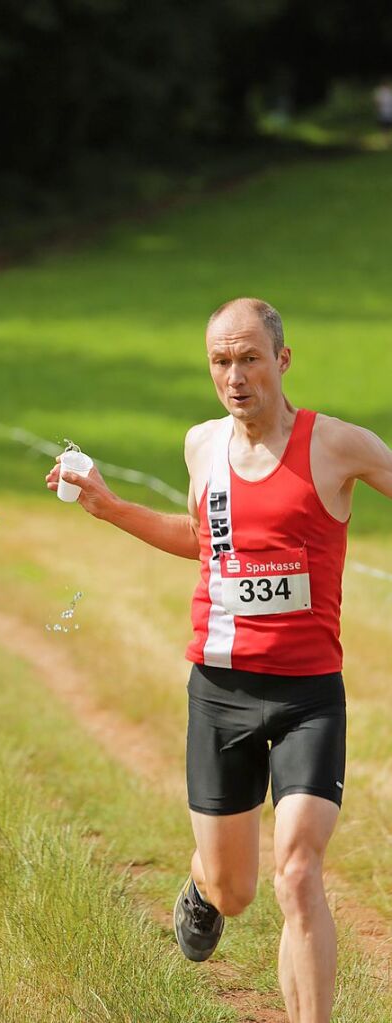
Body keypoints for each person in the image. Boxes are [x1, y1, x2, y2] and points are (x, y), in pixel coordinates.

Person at [46, 297, 392, 1023]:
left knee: (297, 872)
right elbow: (205, 542)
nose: (233, 376)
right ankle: (203, 885)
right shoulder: (200, 444)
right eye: (219, 361)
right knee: (236, 891)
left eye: (248, 359)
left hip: (306, 696)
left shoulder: (337, 445)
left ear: (282, 360)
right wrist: (109, 507)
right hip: (220, 691)